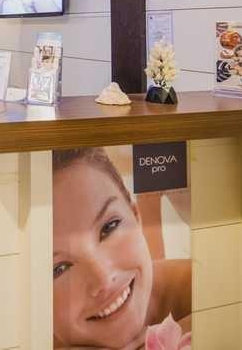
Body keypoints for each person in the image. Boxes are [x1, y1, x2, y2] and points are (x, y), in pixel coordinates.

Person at [52, 148, 191, 349]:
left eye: (109, 227)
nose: (103, 279)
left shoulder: (221, 295)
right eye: (59, 268)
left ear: (135, 216)